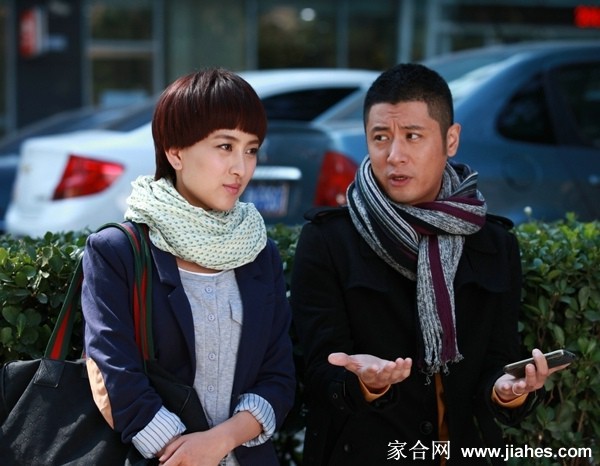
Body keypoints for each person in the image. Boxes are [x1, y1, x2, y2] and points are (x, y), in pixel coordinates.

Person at [290, 63, 570, 465]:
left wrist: (506, 392)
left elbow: (496, 362)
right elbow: (319, 372)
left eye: (412, 136)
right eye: (380, 137)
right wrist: (366, 384)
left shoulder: (493, 243)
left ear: (450, 140)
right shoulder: (329, 241)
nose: (394, 155)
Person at [81, 68, 295, 466]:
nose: (241, 167)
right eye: (225, 146)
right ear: (175, 152)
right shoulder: (118, 251)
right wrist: (180, 451)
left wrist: (220, 441)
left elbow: (278, 372)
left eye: (251, 149)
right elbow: (114, 371)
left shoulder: (258, 250)